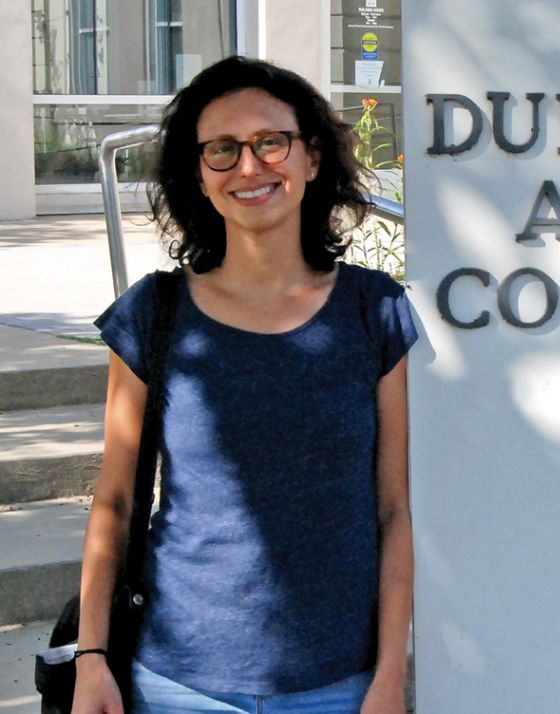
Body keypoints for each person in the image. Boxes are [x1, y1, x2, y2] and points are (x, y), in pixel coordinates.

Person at [73, 56, 417, 714]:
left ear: (311, 159)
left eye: (270, 143)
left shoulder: (374, 310)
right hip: (176, 684)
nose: (250, 167)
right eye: (223, 150)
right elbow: (114, 503)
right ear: (199, 176)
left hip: (339, 685)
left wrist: (389, 677)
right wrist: (92, 659)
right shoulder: (154, 315)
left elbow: (394, 510)